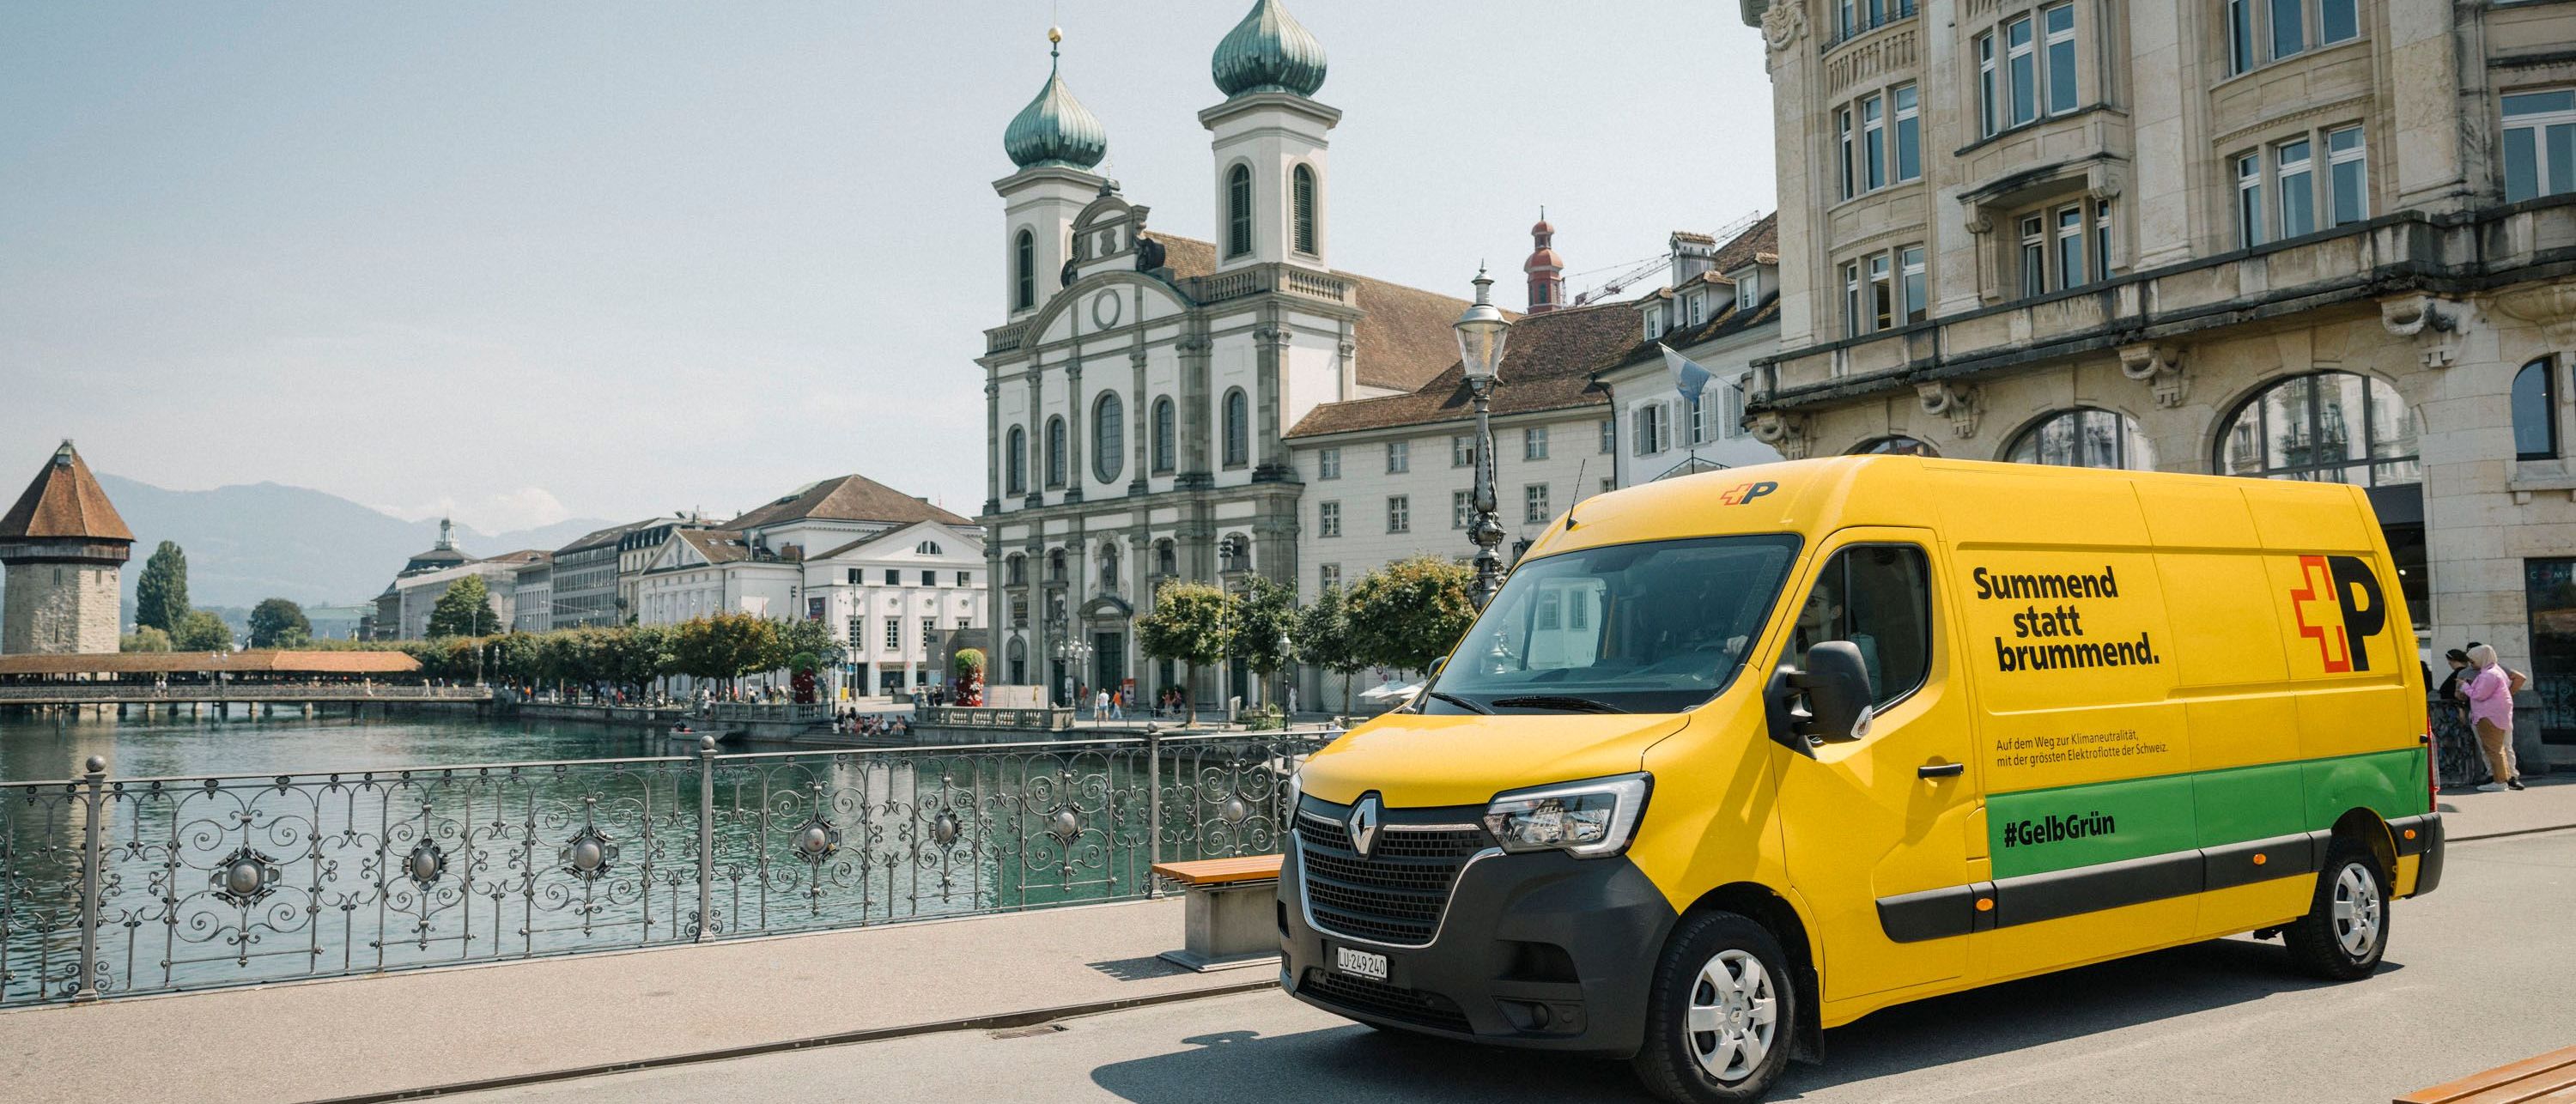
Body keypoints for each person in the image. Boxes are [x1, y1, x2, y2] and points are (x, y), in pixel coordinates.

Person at [2463, 643, 2524, 792]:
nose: (2471, 664)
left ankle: (2499, 781)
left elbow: (2479, 695)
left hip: (2488, 715)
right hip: (2498, 714)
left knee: (2493, 749)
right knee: (2502, 748)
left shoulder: (2489, 674)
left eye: (2473, 661)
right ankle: (2507, 778)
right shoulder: (2497, 671)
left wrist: (2465, 686)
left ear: (2481, 658)